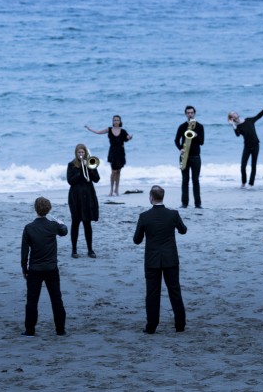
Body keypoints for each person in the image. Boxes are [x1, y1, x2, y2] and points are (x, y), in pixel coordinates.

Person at [133, 185, 187, 334]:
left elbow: (136, 240)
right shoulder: (173, 214)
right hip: (170, 259)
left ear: (151, 197)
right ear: (163, 197)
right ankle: (180, 324)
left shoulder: (145, 216)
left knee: (152, 293)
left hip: (152, 260)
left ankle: (151, 326)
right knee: (174, 290)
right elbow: (183, 230)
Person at [21, 196, 68, 336]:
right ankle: (60, 330)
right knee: (56, 299)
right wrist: (61, 223)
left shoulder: (29, 228)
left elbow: (24, 252)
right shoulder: (53, 226)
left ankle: (30, 330)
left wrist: (24, 269)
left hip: (35, 269)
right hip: (51, 269)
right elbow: (64, 231)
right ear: (49, 210)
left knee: (32, 301)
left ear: (35, 209)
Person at [227, 101, 263, 188]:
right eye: (233, 114)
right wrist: (233, 125)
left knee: (253, 165)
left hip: (256, 145)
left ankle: (251, 184)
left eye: (235, 113)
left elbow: (259, 116)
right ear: (232, 118)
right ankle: (243, 183)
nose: (235, 114)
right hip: (247, 147)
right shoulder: (238, 126)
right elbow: (237, 135)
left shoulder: (249, 120)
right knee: (243, 166)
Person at [85, 115, 132, 197]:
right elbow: (98, 132)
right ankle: (111, 190)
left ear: (120, 121)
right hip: (113, 152)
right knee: (113, 171)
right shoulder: (109, 129)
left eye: (117, 120)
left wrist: (130, 137)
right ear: (113, 121)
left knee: (118, 172)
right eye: (115, 120)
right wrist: (89, 128)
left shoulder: (123, 131)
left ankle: (116, 190)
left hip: (120, 152)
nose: (116, 121)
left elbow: (127, 137)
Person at [67, 143, 100, 258]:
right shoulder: (71, 165)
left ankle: (90, 250)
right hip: (75, 196)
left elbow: (96, 179)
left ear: (85, 153)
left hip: (88, 195)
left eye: (83, 152)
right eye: (79, 153)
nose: (81, 154)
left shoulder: (91, 163)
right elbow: (70, 181)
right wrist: (80, 170)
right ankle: (74, 250)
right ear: (76, 154)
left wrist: (90, 169)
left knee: (87, 223)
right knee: (75, 223)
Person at [175, 105, 205, 208]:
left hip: (196, 156)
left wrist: (196, 135)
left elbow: (202, 142)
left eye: (192, 112)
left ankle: (198, 204)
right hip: (184, 156)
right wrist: (180, 148)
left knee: (195, 180)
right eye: (188, 113)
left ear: (194, 113)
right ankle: (184, 203)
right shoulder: (182, 126)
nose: (190, 114)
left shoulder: (200, 126)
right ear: (185, 114)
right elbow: (176, 140)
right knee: (185, 180)